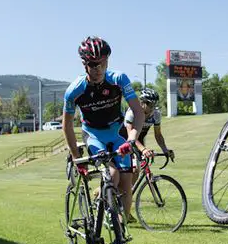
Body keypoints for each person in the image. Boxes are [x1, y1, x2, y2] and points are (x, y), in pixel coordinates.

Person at [63, 36, 145, 225]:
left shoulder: (118, 79)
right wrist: (76, 157)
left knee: (126, 181)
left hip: (117, 133)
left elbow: (139, 113)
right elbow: (67, 126)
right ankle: (107, 211)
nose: (98, 69)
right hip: (94, 135)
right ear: (85, 64)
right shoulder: (75, 90)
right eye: (93, 64)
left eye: (102, 63)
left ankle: (119, 231)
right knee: (112, 173)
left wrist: (131, 140)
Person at [122, 87, 174, 166]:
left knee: (140, 166)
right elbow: (131, 137)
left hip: (139, 140)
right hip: (125, 139)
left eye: (155, 104)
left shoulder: (156, 114)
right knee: (131, 168)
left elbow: (158, 135)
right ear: (142, 102)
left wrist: (165, 149)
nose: (153, 107)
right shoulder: (132, 113)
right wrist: (143, 149)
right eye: (150, 104)